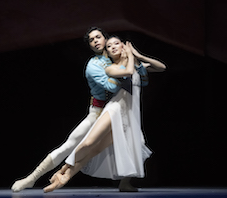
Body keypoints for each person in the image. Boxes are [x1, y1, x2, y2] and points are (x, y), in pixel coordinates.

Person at [43, 36, 166, 193]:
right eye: (109, 46)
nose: (113, 47)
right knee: (89, 144)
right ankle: (63, 170)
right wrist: (131, 57)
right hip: (114, 110)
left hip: (129, 116)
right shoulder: (111, 68)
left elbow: (161, 67)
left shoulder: (136, 65)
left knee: (103, 149)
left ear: (123, 45)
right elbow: (127, 72)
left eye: (116, 43)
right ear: (107, 52)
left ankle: (121, 183)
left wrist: (138, 56)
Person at [11, 27, 121, 192]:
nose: (96, 41)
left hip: (118, 112)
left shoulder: (116, 57)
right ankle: (31, 178)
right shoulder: (93, 66)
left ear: (106, 39)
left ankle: (126, 182)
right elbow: (112, 87)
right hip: (98, 113)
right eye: (92, 40)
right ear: (90, 46)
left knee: (128, 145)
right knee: (70, 145)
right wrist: (126, 71)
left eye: (98, 37)